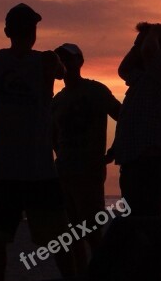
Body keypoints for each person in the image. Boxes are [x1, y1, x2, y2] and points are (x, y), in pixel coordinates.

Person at [0, 4, 76, 281]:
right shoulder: (44, 61)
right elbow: (61, 71)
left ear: (6, 31)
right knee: (59, 237)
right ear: (33, 32)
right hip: (37, 168)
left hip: (3, 167)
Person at [51, 43, 121, 271]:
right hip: (64, 173)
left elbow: (123, 116)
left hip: (89, 172)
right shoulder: (57, 101)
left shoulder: (96, 91)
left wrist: (113, 150)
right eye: (60, 60)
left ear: (80, 61)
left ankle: (101, 273)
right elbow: (52, 134)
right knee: (72, 233)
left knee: (91, 230)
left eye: (68, 59)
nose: (65, 63)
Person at [112, 22, 161, 216]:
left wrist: (153, 33)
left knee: (145, 223)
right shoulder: (141, 78)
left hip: (151, 163)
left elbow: (150, 51)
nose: (136, 51)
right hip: (132, 162)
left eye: (139, 46)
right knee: (132, 222)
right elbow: (123, 69)